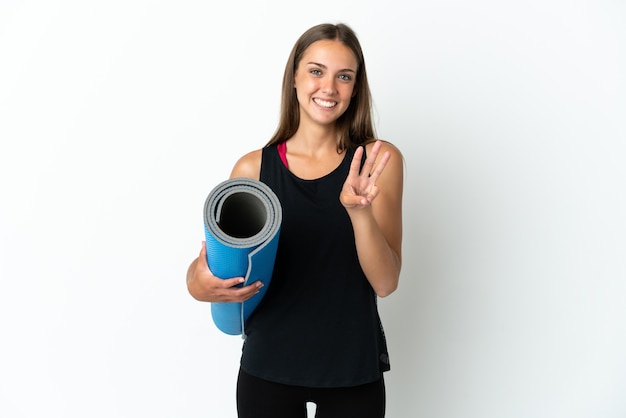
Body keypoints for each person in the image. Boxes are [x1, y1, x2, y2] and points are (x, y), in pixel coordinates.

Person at [186, 22, 403, 418]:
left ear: (356, 88)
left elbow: (386, 283)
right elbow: (213, 263)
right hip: (269, 368)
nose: (329, 87)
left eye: (344, 76)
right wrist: (198, 285)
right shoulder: (253, 167)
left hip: (352, 370)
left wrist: (359, 212)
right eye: (316, 71)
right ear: (295, 79)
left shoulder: (376, 161)